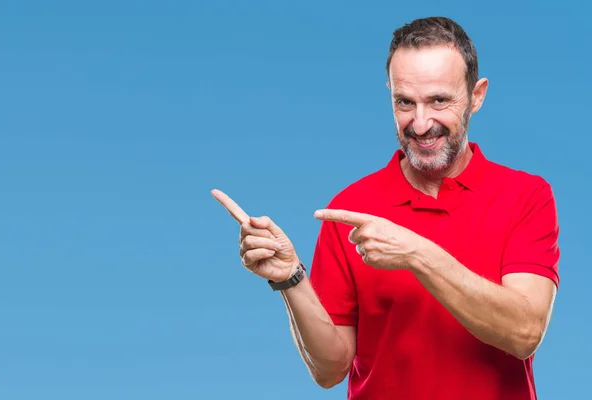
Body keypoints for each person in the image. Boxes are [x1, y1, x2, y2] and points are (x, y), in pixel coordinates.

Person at [211, 16, 560, 400]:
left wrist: (416, 254)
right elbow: (330, 370)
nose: (421, 123)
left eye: (439, 100)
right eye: (404, 103)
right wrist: (290, 279)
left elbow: (524, 333)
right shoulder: (349, 209)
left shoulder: (526, 195)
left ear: (476, 96)